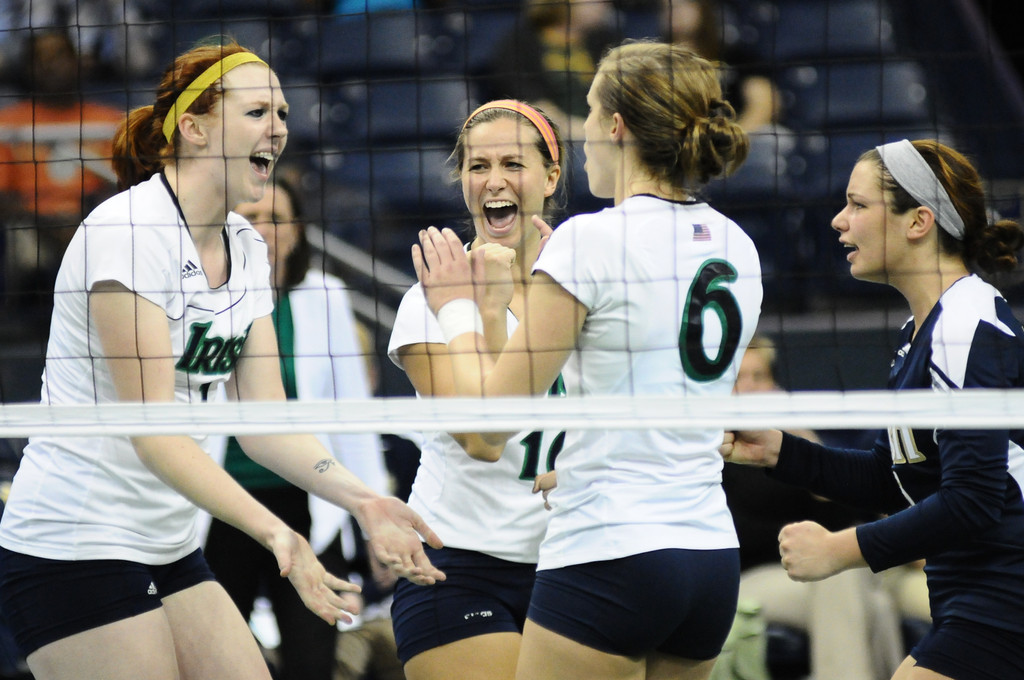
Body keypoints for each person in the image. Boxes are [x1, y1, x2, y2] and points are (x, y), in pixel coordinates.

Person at [0, 40, 443, 680]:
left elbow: (265, 423)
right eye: (259, 111)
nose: (281, 128)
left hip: (170, 542)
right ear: (195, 127)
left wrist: (363, 500)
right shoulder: (128, 234)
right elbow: (156, 434)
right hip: (76, 543)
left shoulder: (246, 244)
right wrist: (276, 531)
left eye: (285, 113)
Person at [414, 41, 762, 680]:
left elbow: (491, 425)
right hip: (710, 555)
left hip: (612, 551)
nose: (583, 139)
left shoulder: (591, 239)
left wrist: (457, 310)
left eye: (589, 115)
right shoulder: (739, 246)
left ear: (617, 127)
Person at [720, 138, 1024, 680]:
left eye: (859, 205)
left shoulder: (965, 326)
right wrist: (780, 451)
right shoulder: (925, 331)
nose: (839, 221)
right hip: (973, 594)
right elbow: (893, 479)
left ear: (919, 222)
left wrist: (843, 549)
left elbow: (976, 498)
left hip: (1004, 592)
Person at [386, 99, 567, 680]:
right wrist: (478, 310)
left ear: (550, 177)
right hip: (458, 565)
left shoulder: (581, 289)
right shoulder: (430, 297)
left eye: (513, 164)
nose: (493, 181)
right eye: (477, 165)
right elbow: (481, 439)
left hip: (573, 560)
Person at [201, 176, 391, 680]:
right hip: (224, 506)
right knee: (219, 664)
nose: (262, 229)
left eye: (275, 218)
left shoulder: (325, 296)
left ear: (299, 230)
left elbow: (353, 415)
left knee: (313, 662)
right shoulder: (204, 297)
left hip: (308, 504)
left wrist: (375, 523)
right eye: (251, 217)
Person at [729, 335, 906, 680]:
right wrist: (802, 541)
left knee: (871, 598)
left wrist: (799, 433)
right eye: (738, 379)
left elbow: (843, 515)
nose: (749, 388)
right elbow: (739, 535)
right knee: (841, 576)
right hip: (745, 581)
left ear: (775, 384)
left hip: (810, 575)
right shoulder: (716, 447)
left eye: (759, 377)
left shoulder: (791, 444)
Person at [0, 27, 123, 324]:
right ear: (27, 68)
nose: (49, 65)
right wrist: (45, 222)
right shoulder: (8, 123)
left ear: (76, 61)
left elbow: (125, 188)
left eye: (58, 55)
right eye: (39, 58)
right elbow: (3, 198)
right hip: (29, 228)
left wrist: (85, 221)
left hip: (96, 222)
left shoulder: (111, 120)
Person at [483, 0, 619, 142]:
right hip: (550, 136)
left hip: (603, 131)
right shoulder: (520, 42)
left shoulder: (605, 39)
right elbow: (531, 103)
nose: (605, 3)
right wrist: (584, 130)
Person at [660, 0, 780, 133]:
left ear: (702, 9)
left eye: (682, 6)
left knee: (768, 137)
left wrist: (733, 140)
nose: (674, 12)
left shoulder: (736, 57)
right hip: (678, 142)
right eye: (666, 8)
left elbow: (764, 104)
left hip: (734, 136)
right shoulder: (655, 64)